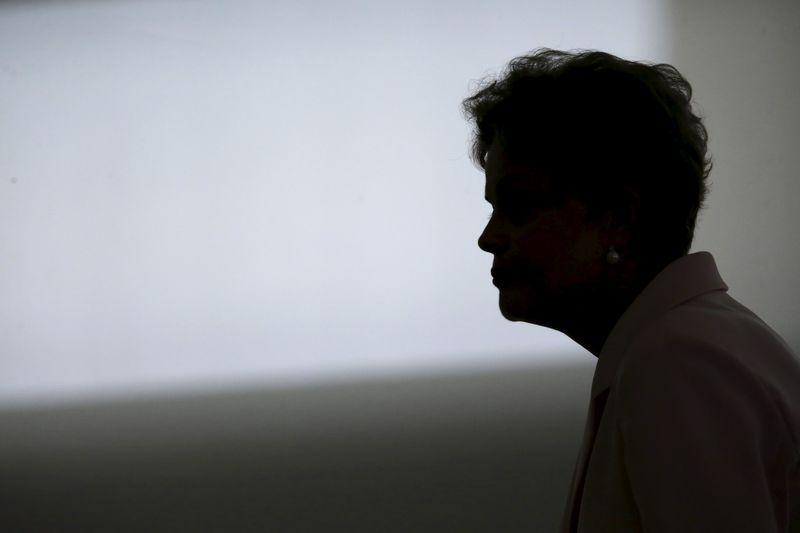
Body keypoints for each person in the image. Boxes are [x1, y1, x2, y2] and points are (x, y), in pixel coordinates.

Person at [462, 48, 800, 532]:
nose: (488, 238)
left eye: (519, 206)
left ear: (619, 217)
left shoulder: (678, 361)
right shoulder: (693, 342)